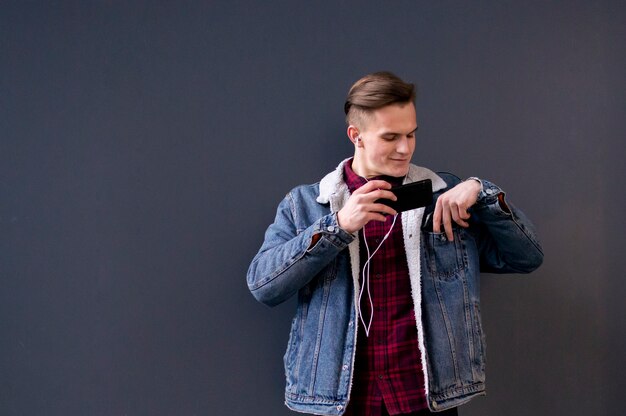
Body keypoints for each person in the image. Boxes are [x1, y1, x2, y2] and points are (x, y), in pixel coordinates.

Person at [247, 71, 543, 416]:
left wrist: (483, 192)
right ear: (356, 136)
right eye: (391, 137)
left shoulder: (444, 195)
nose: (405, 148)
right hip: (341, 400)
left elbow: (525, 258)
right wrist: (338, 226)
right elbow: (263, 286)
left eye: (411, 134)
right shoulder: (307, 203)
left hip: (424, 397)